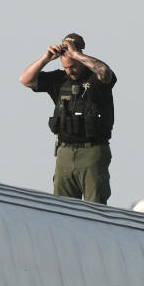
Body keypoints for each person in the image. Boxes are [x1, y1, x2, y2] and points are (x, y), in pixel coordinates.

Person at [20, 33, 116, 203]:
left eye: (73, 66)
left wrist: (76, 54)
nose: (69, 71)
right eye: (66, 67)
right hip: (64, 152)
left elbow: (105, 73)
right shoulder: (60, 79)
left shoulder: (96, 79)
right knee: (62, 208)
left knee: (95, 209)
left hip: (92, 152)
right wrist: (46, 58)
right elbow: (26, 80)